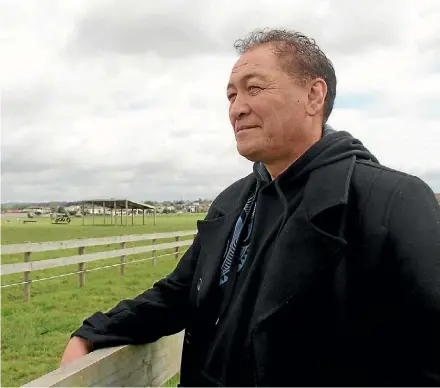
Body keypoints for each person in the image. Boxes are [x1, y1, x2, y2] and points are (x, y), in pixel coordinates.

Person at [60, 28, 440, 386]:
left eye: (254, 88)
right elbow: (177, 295)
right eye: (231, 96)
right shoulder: (231, 203)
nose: (237, 108)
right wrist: (94, 332)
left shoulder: (392, 201)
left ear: (314, 96)